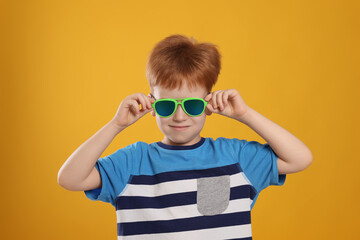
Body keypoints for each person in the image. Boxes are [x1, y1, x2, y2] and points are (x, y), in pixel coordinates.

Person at [57, 34, 313, 239]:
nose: (179, 117)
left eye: (191, 105)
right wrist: (115, 125)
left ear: (208, 104)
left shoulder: (234, 157)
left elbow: (300, 158)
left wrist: (245, 114)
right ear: (151, 104)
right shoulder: (133, 162)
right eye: (167, 106)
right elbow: (70, 178)